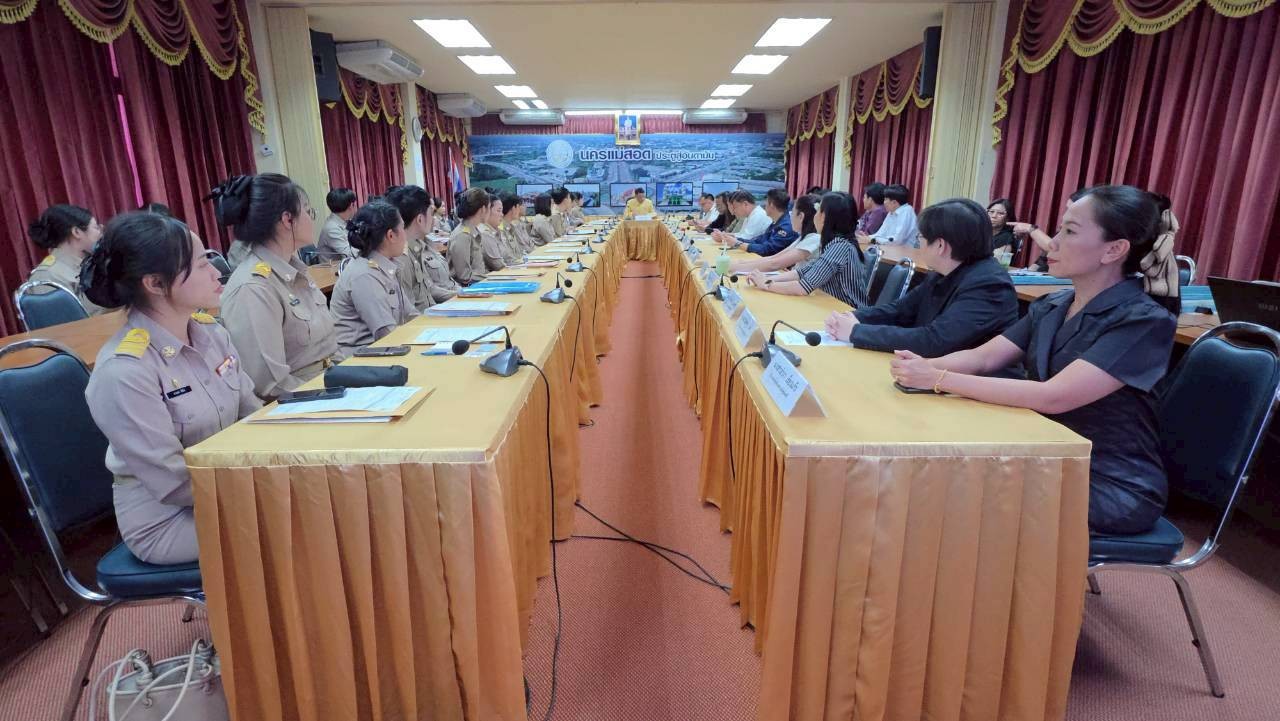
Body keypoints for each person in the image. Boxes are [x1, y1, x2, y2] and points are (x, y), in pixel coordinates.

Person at [889, 185, 1179, 535]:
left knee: (946, 489)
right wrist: (922, 366)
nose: (1052, 243)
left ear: (1114, 249)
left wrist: (937, 379)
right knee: (932, 469)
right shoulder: (1054, 304)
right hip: (1045, 453)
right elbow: (983, 357)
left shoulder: (1143, 321)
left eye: (1069, 232)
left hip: (1107, 480)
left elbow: (1053, 396)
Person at [82, 211, 260, 564]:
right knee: (297, 521)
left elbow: (252, 416)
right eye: (201, 264)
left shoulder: (212, 334)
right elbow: (175, 483)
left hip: (231, 490)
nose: (216, 272)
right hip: (168, 519)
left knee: (319, 502)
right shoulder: (124, 371)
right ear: (155, 283)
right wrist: (268, 490)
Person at [824, 198, 1019, 357]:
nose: (919, 244)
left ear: (940, 246)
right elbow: (900, 310)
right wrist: (854, 317)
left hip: (967, 385)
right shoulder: (943, 272)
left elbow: (934, 341)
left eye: (921, 238)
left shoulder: (989, 285)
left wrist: (856, 331)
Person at [214, 173, 338, 399]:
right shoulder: (254, 288)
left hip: (332, 383)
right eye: (308, 211)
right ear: (288, 220)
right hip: (304, 403)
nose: (312, 219)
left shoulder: (295, 269)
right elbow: (270, 386)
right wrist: (336, 396)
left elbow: (329, 347)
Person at [745, 192, 870, 307]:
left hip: (847, 311)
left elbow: (803, 287)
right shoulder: (836, 243)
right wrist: (767, 279)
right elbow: (802, 272)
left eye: (818, 210)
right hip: (833, 306)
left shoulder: (839, 247)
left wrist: (766, 284)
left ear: (824, 217)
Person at [331, 200, 415, 354]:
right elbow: (387, 336)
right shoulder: (364, 276)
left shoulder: (386, 266)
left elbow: (410, 314)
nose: (406, 235)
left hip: (385, 350)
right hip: (364, 358)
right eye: (403, 228)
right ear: (391, 235)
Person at [25, 204, 106, 315]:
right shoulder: (46, 277)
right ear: (76, 232)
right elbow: (61, 323)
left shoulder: (90, 265)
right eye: (96, 227)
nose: (100, 234)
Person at [386, 184, 456, 309]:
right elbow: (408, 313)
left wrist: (463, 295)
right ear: (420, 219)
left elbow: (429, 289)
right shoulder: (401, 258)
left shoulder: (417, 247)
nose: (433, 219)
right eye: (431, 213)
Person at [729, 193, 821, 274]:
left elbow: (774, 263)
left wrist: (738, 267)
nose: (791, 216)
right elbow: (775, 257)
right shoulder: (804, 237)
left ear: (801, 216)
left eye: (792, 212)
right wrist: (744, 263)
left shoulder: (813, 238)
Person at [720, 188, 797, 256]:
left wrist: (737, 243)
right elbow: (758, 240)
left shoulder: (785, 226)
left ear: (772, 205)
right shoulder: (776, 223)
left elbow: (768, 250)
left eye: (766, 203)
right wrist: (735, 240)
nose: (764, 206)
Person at [449, 188, 498, 285]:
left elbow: (479, 269)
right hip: (470, 289)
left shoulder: (474, 231)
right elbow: (464, 277)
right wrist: (491, 278)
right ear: (483, 209)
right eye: (489, 208)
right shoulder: (462, 235)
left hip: (480, 283)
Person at [860, 183, 918, 247]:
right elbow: (880, 233)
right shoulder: (891, 212)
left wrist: (872, 240)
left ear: (894, 202)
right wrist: (867, 238)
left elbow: (896, 240)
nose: (884, 203)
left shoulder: (907, 212)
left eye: (885, 199)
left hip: (905, 251)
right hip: (890, 249)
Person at [316, 187, 359, 261]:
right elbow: (350, 255)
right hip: (335, 267)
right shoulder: (332, 229)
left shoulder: (342, 221)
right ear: (351, 206)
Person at [481, 194, 518, 266]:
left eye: (502, 211)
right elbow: (498, 265)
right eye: (498, 211)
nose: (502, 214)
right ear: (487, 211)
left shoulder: (498, 232)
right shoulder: (485, 233)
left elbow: (509, 258)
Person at [498, 192, 533, 258]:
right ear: (514, 208)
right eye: (518, 206)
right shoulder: (501, 229)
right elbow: (509, 257)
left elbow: (519, 252)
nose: (519, 210)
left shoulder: (511, 227)